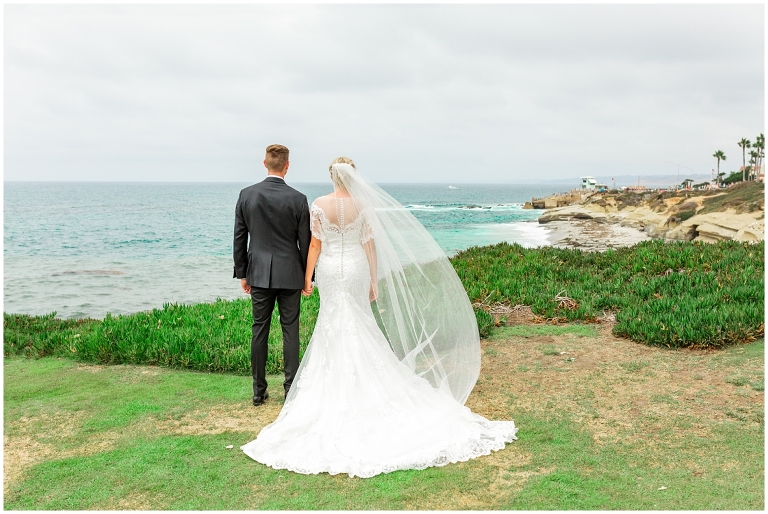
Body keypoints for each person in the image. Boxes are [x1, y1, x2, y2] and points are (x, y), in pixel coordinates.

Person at [241, 157, 517, 478]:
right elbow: (369, 245)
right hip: (356, 267)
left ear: (331, 176)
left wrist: (307, 278)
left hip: (330, 269)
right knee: (359, 321)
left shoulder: (319, 204)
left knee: (333, 322)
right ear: (353, 176)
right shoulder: (363, 205)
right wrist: (373, 279)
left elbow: (315, 245)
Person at [233, 144, 311, 406]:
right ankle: (290, 389)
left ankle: (258, 390)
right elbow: (305, 242)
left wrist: (242, 272)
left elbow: (240, 238)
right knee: (290, 331)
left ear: (264, 164)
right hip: (290, 273)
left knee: (259, 330)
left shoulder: (246, 195)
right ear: (287, 166)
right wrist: (307, 277)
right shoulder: (298, 199)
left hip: (258, 273)